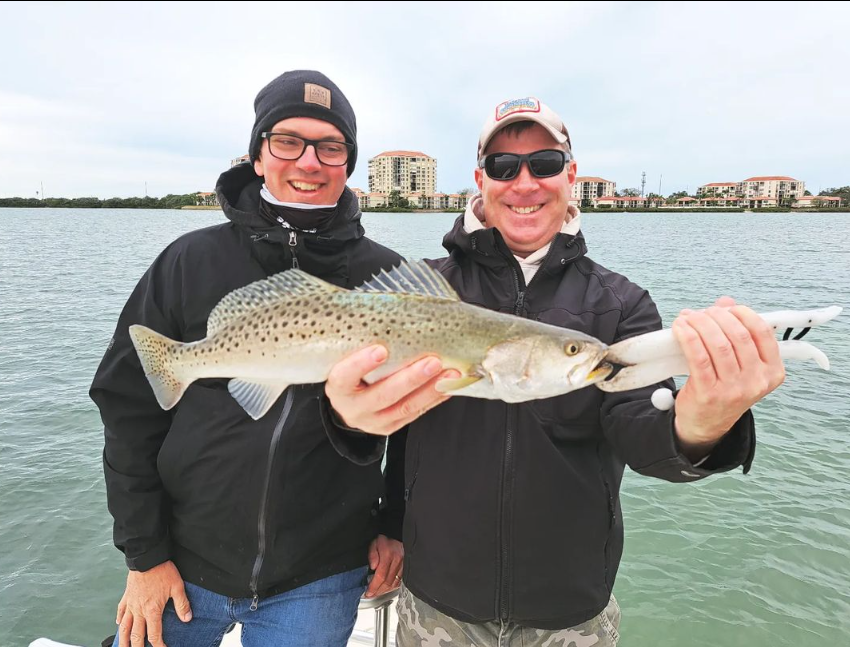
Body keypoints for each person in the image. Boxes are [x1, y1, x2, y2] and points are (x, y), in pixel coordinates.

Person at [325, 96, 785, 646]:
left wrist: (704, 420)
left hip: (570, 611)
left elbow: (643, 434)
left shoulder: (621, 305)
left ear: (570, 175)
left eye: (544, 163)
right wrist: (386, 515)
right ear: (481, 180)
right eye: (503, 166)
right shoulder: (421, 289)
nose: (524, 183)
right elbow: (395, 429)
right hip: (437, 600)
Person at [90, 70, 407, 647]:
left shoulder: (387, 277)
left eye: (330, 146)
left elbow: (413, 421)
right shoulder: (188, 260)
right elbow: (128, 411)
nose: (309, 161)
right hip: (182, 560)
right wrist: (144, 555)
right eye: (287, 141)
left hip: (322, 573)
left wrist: (395, 525)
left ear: (348, 164)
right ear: (258, 156)